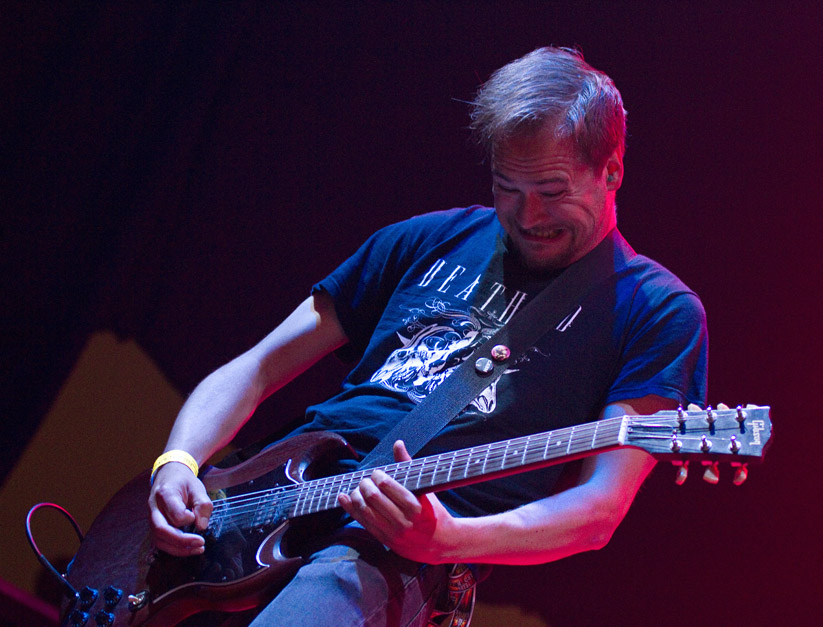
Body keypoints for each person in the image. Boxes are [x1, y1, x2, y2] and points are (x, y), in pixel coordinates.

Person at [148, 46, 707, 626]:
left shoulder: (656, 311)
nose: (527, 215)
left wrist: (449, 539)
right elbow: (261, 364)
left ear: (612, 170)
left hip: (389, 555)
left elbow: (597, 511)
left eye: (552, 189)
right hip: (256, 508)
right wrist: (180, 460)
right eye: (506, 187)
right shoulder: (423, 239)